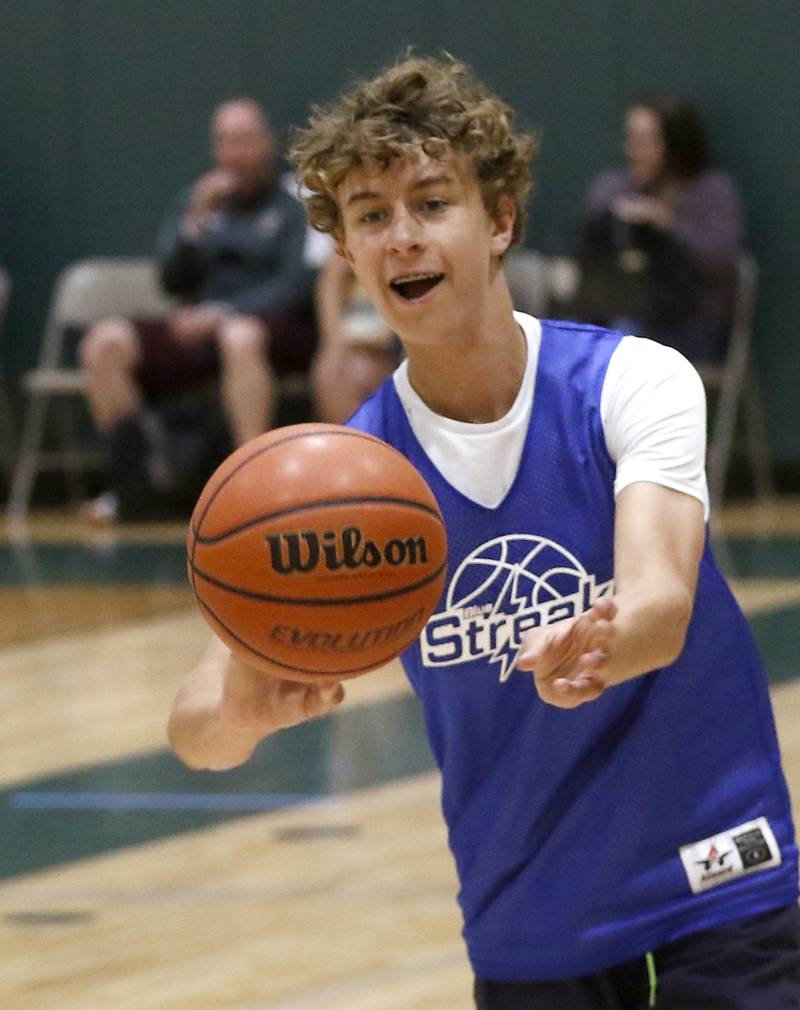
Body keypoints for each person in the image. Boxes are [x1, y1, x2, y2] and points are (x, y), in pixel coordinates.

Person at [167, 56, 799, 1008]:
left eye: (431, 202)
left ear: (498, 220)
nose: (402, 236)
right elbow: (194, 728)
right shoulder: (345, 480)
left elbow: (662, 602)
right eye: (371, 215)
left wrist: (603, 642)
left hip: (716, 879)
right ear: (346, 251)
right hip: (526, 920)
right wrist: (241, 716)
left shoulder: (632, 381)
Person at [79, 97, 318, 521]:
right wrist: (192, 224)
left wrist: (224, 313)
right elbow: (170, 280)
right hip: (199, 328)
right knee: (105, 343)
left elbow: (296, 284)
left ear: (267, 143)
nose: (235, 153)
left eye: (245, 140)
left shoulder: (293, 200)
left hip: (272, 330)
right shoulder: (200, 201)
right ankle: (133, 489)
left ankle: (255, 491)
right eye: (225, 141)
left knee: (239, 336)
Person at [574, 97, 743, 363]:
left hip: (689, 320)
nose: (633, 151)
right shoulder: (617, 187)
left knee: (624, 342)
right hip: (618, 308)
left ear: (676, 145)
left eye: (645, 141)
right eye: (630, 139)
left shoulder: (712, 191)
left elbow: (720, 261)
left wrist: (666, 223)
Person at [311, 246, 401, 423]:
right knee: (338, 371)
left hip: (397, 340)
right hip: (354, 337)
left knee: (367, 370)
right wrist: (335, 346)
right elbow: (330, 286)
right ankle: (348, 443)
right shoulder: (344, 242)